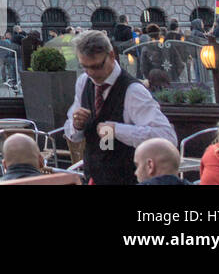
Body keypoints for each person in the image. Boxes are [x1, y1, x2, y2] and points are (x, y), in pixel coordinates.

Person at [63, 29, 177, 185]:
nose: (91, 73)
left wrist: (117, 129)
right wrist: (77, 125)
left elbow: (166, 136)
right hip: (92, 177)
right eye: (85, 66)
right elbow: (72, 134)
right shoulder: (83, 82)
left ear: (111, 55)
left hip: (126, 179)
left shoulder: (133, 91)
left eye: (96, 66)